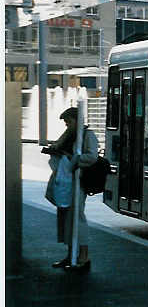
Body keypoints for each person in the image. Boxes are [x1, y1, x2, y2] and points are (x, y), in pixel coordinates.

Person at [43, 107, 99, 272]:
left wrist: (73, 159)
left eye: (69, 121)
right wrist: (53, 149)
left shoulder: (87, 135)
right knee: (66, 218)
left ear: (77, 120)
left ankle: (83, 257)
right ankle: (70, 255)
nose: (67, 124)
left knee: (76, 218)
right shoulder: (68, 134)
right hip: (66, 182)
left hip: (77, 182)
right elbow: (58, 146)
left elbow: (92, 156)